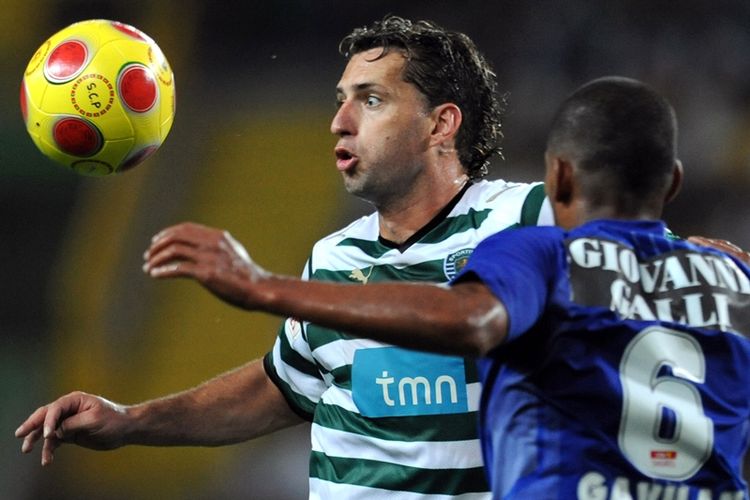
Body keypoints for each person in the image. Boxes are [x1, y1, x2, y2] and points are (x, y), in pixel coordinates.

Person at [16, 16, 552, 499]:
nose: (339, 121)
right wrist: (131, 421)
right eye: (340, 99)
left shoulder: (524, 216)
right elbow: (280, 388)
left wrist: (262, 286)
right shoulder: (335, 256)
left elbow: (479, 317)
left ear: (441, 125)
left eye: (369, 100)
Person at [137, 77, 750, 498]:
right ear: (671, 182)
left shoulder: (536, 250)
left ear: (558, 177)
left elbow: (471, 321)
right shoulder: (733, 279)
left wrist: (263, 288)